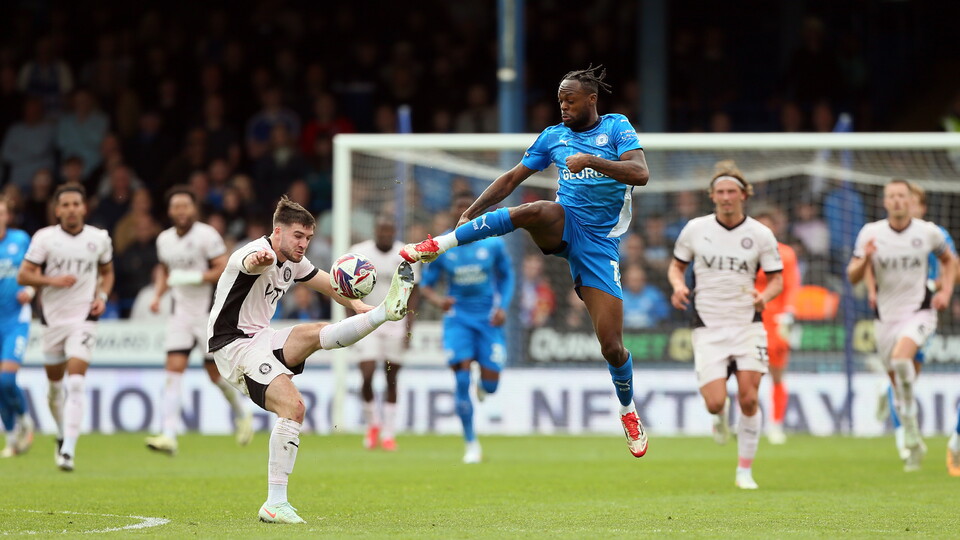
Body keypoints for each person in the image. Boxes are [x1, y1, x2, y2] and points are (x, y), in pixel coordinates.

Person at [399, 65, 650, 458]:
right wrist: (471, 211)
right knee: (535, 210)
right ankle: (439, 243)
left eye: (570, 100)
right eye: (559, 100)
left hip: (600, 245)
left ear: (591, 99)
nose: (563, 106)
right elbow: (511, 178)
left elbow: (640, 173)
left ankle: (628, 409)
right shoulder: (553, 136)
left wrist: (591, 160)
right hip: (565, 223)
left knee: (612, 347)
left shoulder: (616, 127)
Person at [206, 195, 414, 524]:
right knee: (294, 408)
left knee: (316, 332)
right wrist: (260, 259)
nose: (303, 244)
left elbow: (331, 286)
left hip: (261, 338)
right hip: (233, 345)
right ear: (277, 231)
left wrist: (358, 306)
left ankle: (380, 314)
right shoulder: (253, 252)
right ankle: (275, 503)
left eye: (308, 238)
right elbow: (251, 263)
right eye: (298, 236)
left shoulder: (295, 261)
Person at [667, 161, 784, 490]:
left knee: (749, 399)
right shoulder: (695, 229)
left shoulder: (760, 234)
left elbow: (777, 280)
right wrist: (678, 286)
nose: (726, 197)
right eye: (720, 192)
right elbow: (676, 267)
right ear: (712, 196)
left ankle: (744, 471)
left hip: (747, 324)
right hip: (708, 325)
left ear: (744, 195)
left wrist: (764, 296)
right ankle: (719, 416)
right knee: (715, 402)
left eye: (732, 191)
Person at [847, 179, 955, 473]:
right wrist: (866, 261)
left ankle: (906, 427)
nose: (896, 201)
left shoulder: (929, 232)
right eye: (891, 196)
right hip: (885, 318)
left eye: (901, 196)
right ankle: (911, 434)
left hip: (920, 312)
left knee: (901, 360)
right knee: (900, 379)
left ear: (911, 201)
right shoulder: (871, 233)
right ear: (884, 202)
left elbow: (950, 261)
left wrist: (945, 292)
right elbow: (853, 275)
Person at [145, 187, 253, 456]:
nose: (181, 211)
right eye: (176, 206)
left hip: (207, 314)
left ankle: (242, 413)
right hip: (179, 314)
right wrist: (158, 295)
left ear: (194, 209)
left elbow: (223, 267)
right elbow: (166, 271)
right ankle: (169, 435)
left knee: (215, 374)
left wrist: (196, 277)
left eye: (186, 205)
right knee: (173, 369)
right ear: (169, 211)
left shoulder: (206, 235)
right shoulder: (164, 240)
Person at [17, 184, 114, 472]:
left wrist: (102, 296)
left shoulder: (99, 239)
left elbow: (107, 272)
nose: (71, 209)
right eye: (66, 205)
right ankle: (61, 434)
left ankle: (69, 450)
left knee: (76, 382)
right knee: (55, 388)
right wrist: (51, 281)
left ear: (84, 208)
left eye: (76, 204)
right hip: (52, 320)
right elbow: (23, 275)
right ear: (57, 210)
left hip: (83, 318)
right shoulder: (45, 238)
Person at [419, 193, 515, 463]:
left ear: (477, 213)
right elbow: (426, 285)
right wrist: (439, 300)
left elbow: (508, 276)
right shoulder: (443, 245)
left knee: (491, 385)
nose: (465, 213)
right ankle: (471, 444)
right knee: (461, 379)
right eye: (459, 208)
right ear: (454, 213)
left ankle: (484, 386)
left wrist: (503, 306)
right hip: (458, 318)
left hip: (488, 319)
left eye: (469, 208)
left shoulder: (493, 243)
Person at [348, 213, 419, 452]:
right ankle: (372, 425)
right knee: (367, 374)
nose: (385, 234)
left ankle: (388, 433)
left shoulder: (406, 255)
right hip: (367, 319)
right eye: (382, 230)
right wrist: (351, 321)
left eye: (389, 230)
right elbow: (346, 288)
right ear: (375, 231)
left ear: (395, 231)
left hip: (395, 322)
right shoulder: (359, 253)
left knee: (392, 378)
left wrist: (409, 327)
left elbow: (414, 292)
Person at [753, 207, 801, 445]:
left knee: (777, 374)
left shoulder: (786, 254)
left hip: (776, 321)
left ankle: (776, 424)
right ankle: (746, 421)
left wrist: (789, 312)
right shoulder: (744, 254)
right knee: (746, 372)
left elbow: (792, 285)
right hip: (749, 319)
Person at [0, 197, 35, 457]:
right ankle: (11, 439)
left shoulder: (20, 240)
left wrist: (31, 290)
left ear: (7, 216)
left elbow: (36, 268)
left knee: (6, 379)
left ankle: (24, 419)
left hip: (16, 320)